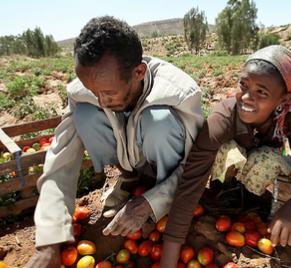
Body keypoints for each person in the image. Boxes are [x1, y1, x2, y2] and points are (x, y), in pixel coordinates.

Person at [27, 16, 204, 268]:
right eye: (93, 91)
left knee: (159, 120)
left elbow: (195, 166)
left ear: (138, 72)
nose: (101, 100)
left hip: (167, 166)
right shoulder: (88, 88)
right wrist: (50, 242)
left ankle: (160, 198)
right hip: (128, 157)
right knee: (85, 116)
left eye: (108, 93)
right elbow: (59, 163)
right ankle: (128, 178)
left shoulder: (180, 93)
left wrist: (148, 203)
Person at [159, 45, 291, 268]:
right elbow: (191, 183)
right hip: (232, 166)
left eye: (261, 92)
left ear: (283, 98)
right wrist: (168, 260)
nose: (246, 98)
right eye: (244, 85)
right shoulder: (223, 117)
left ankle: (255, 203)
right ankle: (225, 196)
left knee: (266, 160)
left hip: (262, 162)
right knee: (226, 152)